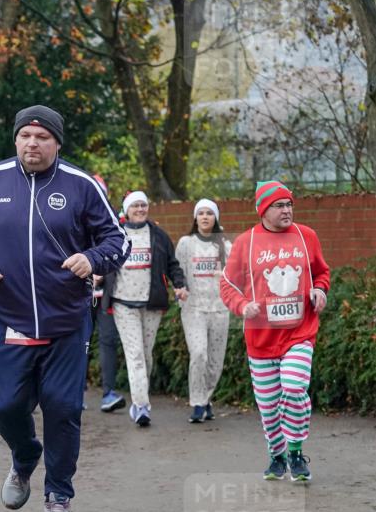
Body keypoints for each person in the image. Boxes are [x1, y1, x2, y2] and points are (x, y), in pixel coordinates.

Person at [0, 104, 129, 512]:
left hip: (66, 321)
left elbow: (118, 239)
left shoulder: (81, 185)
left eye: (42, 137)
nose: (32, 144)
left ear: (57, 143)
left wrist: (92, 259)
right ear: (15, 139)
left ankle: (58, 495)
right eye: (25, 136)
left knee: (63, 407)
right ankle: (25, 455)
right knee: (5, 404)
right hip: (8, 317)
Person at [220, 180, 330, 482]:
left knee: (294, 387)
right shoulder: (246, 242)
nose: (287, 210)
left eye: (289, 204)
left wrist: (320, 290)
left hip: (299, 333)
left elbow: (321, 272)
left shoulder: (306, 236)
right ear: (263, 210)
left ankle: (295, 452)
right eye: (279, 205)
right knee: (268, 407)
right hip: (260, 338)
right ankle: (277, 455)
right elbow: (227, 284)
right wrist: (243, 306)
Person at [102, 191, 187, 427]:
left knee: (146, 355)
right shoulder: (116, 234)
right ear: (126, 210)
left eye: (143, 205)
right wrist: (96, 274)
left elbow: (172, 264)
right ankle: (141, 406)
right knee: (136, 355)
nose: (140, 209)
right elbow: (104, 259)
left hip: (151, 303)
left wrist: (179, 284)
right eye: (135, 206)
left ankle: (140, 400)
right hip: (123, 303)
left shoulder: (158, 235)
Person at [176, 198, 232, 423]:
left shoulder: (225, 245)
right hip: (194, 309)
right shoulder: (186, 243)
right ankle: (198, 403)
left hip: (219, 309)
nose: (205, 217)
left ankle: (207, 398)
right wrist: (180, 291)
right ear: (195, 218)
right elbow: (178, 272)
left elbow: (236, 276)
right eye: (201, 213)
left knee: (215, 362)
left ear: (215, 217)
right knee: (199, 353)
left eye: (209, 213)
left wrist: (225, 276)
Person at [88, 176, 125, 413]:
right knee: (77, 343)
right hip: (77, 295)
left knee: (109, 341)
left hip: (107, 295)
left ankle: (108, 393)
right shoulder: (69, 217)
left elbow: (119, 250)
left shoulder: (113, 222)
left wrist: (102, 270)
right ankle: (74, 393)